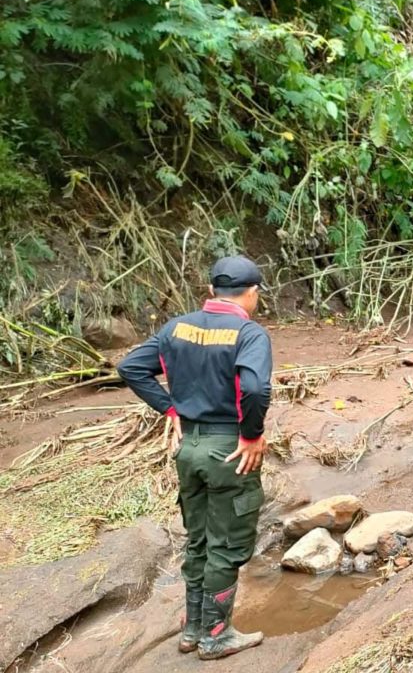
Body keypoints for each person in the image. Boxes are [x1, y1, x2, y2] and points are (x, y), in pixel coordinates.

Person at [117, 256, 273, 660]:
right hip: (230, 450)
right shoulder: (249, 333)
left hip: (189, 448)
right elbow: (255, 389)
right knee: (227, 543)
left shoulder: (176, 327)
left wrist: (170, 409)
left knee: (199, 538)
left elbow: (131, 367)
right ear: (253, 293)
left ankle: (192, 630)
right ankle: (218, 636)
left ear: (210, 292)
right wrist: (252, 435)